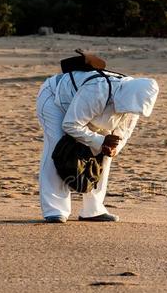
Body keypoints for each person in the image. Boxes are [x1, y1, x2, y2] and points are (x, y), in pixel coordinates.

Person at [36, 70, 158, 223]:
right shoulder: (98, 90)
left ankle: (93, 209)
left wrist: (111, 148)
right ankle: (55, 209)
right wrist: (100, 141)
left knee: (105, 154)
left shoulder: (135, 104)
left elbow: (122, 134)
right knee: (59, 148)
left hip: (87, 110)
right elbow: (70, 124)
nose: (131, 111)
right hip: (55, 99)